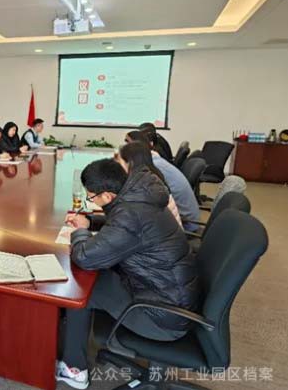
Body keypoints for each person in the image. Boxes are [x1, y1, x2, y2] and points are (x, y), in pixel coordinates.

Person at [56, 159, 199, 389]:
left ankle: (74, 369)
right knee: (95, 278)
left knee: (79, 290)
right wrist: (91, 221)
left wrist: (80, 232)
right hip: (172, 294)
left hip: (162, 317)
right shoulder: (140, 195)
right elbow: (121, 225)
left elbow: (84, 257)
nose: (91, 201)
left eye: (92, 197)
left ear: (108, 195)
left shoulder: (131, 216)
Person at [126, 131, 201, 231]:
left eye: (128, 143)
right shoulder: (155, 160)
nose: (125, 147)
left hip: (186, 223)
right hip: (185, 218)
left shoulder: (153, 167)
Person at [117, 142, 183, 226]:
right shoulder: (152, 175)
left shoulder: (143, 187)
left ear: (130, 163)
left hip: (162, 231)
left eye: (119, 161)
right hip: (168, 230)